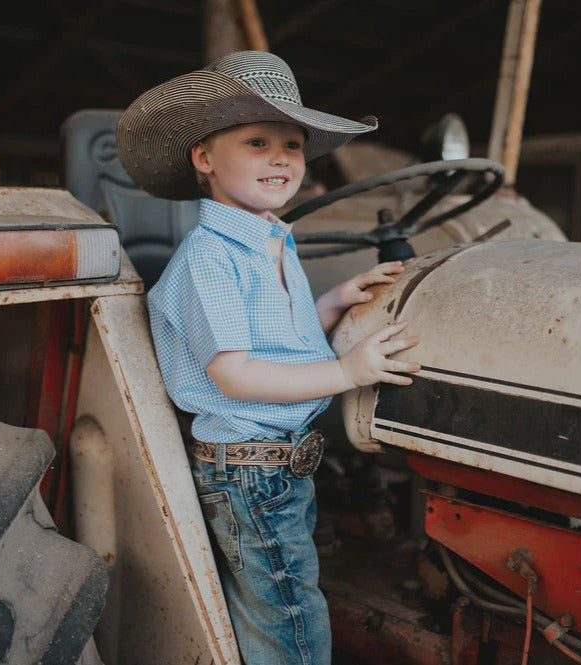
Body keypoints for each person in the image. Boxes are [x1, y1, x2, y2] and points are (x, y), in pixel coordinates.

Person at [117, 50, 420, 665]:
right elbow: (233, 373)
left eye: (293, 143)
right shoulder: (211, 257)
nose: (282, 157)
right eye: (257, 141)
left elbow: (273, 333)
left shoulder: (267, 240)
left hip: (278, 465)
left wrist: (334, 299)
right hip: (250, 471)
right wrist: (348, 372)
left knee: (281, 602)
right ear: (204, 158)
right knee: (290, 617)